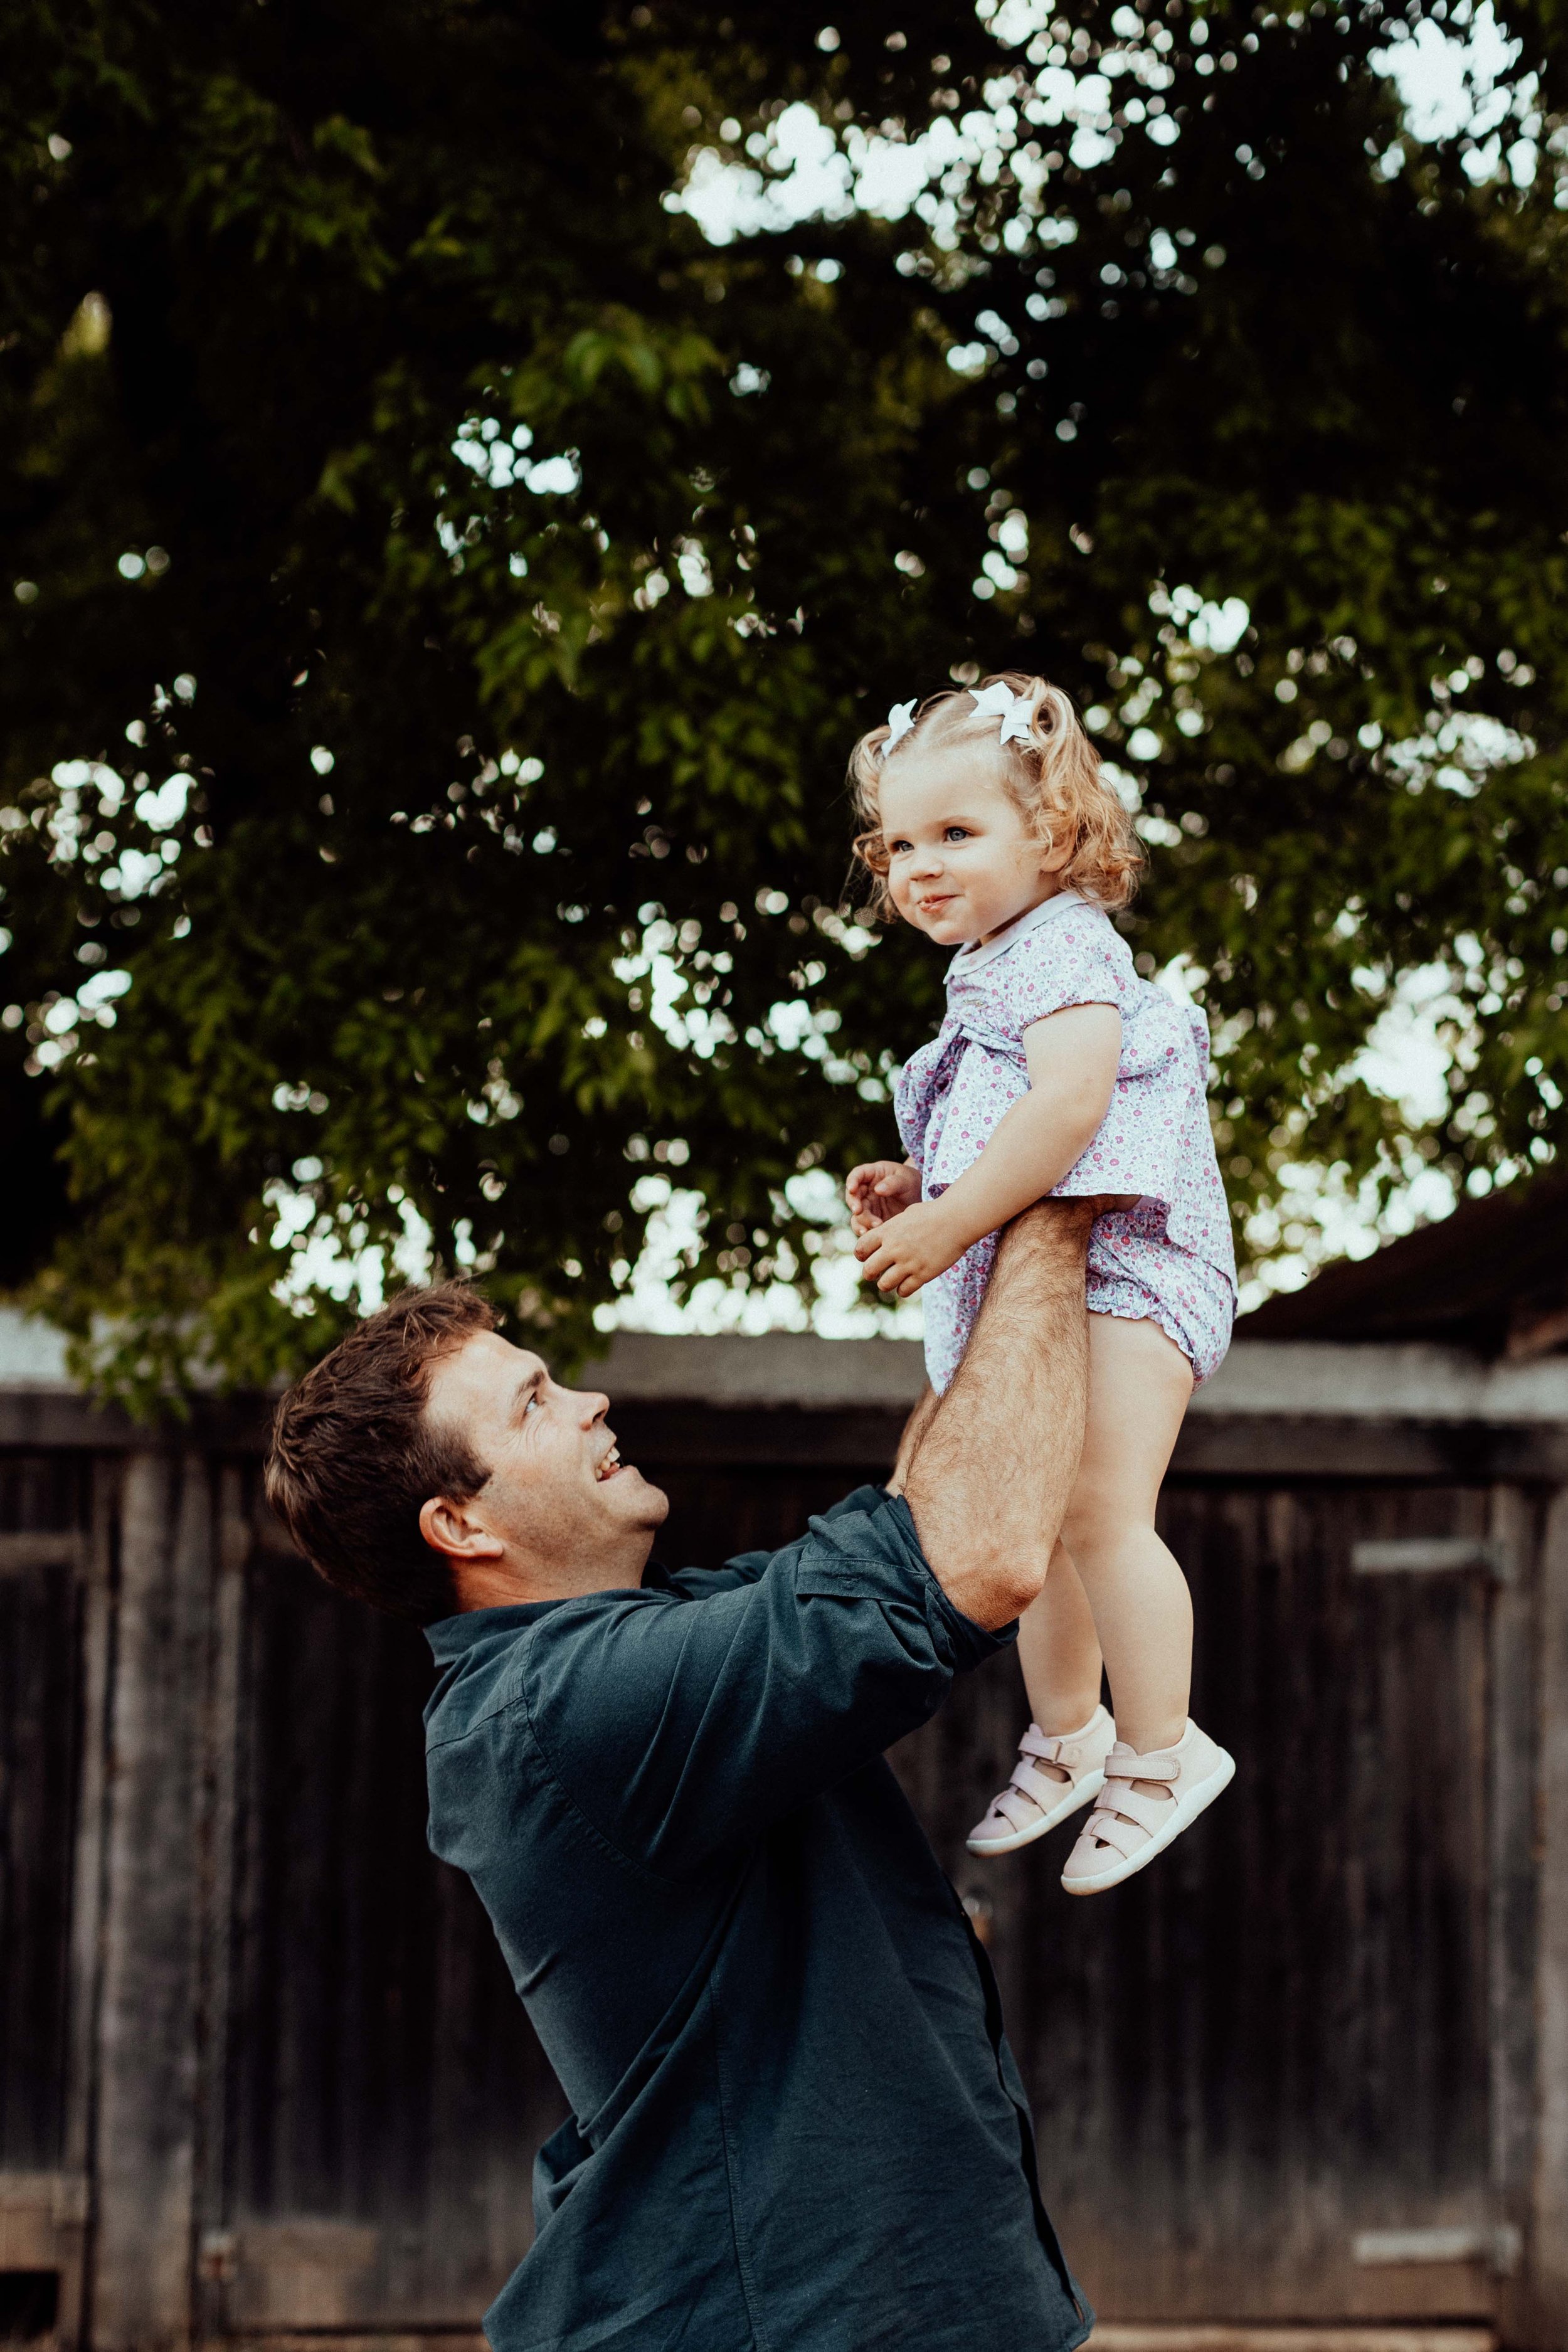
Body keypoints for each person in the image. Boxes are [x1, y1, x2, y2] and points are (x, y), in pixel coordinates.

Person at [263, 1202, 1098, 2352]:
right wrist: (1055, 1207)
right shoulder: (566, 1711)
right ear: (460, 1523)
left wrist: (978, 1241)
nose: (589, 1399)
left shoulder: (638, 1643)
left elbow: (926, 1515)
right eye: (534, 1403)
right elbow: (982, 1551)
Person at [844, 673, 1237, 1894]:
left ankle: (1163, 1751)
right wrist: (926, 1182)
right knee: (1045, 1522)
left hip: (1129, 1267)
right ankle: (1069, 1735)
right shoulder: (994, 971)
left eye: (955, 833)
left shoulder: (1063, 945)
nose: (918, 865)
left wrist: (955, 1220)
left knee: (1100, 1511)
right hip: (1071, 1270)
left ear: (1051, 836)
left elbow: (1072, 1105)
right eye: (898, 843)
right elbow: (1019, 1125)